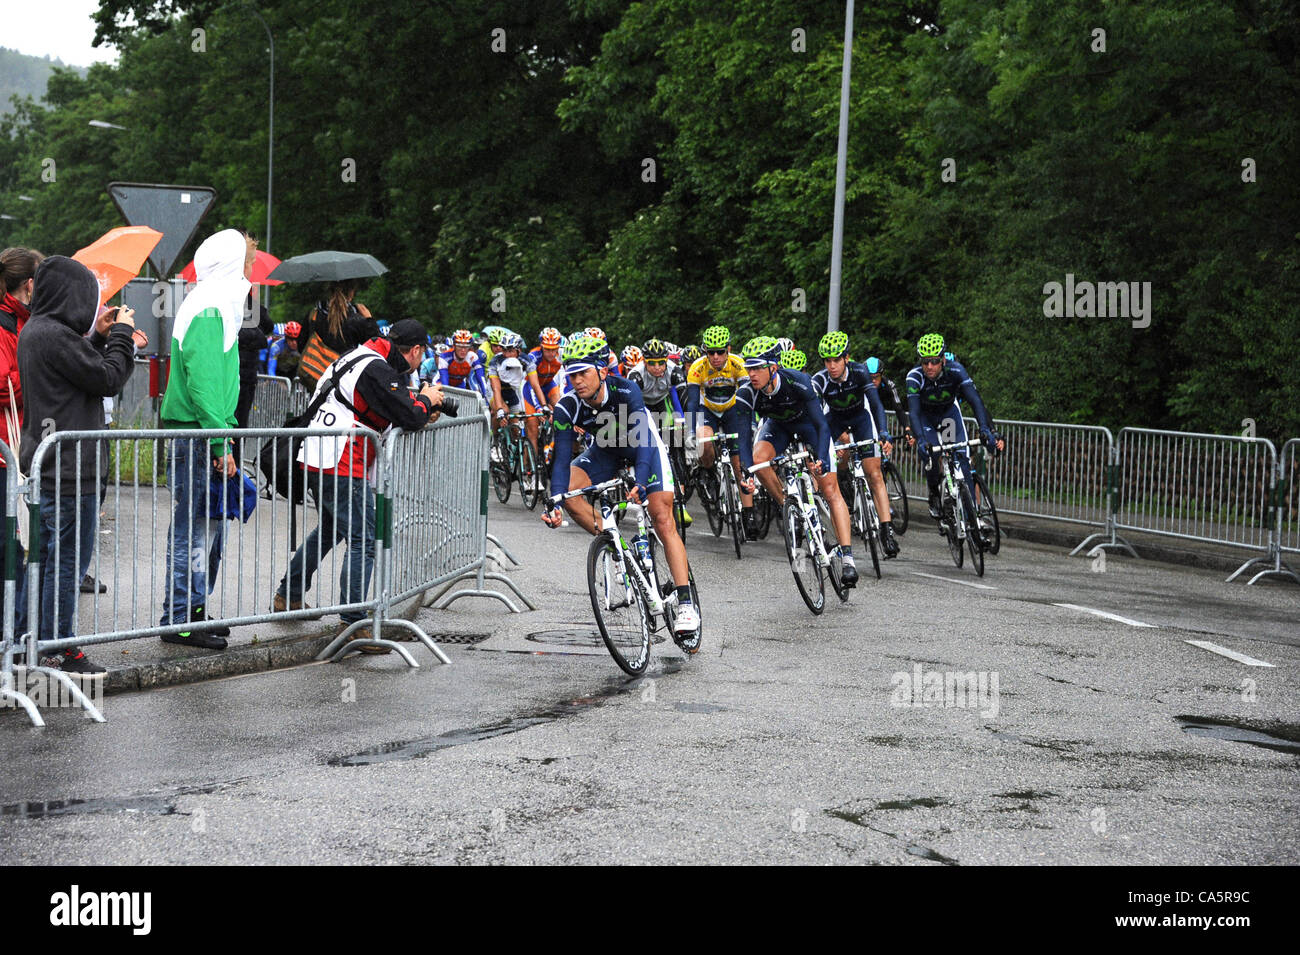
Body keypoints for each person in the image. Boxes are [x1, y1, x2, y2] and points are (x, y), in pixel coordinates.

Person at [275, 319, 441, 652]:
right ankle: (354, 623)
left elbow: (380, 407)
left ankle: (288, 595)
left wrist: (417, 407)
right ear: (418, 350)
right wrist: (424, 401)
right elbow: (408, 415)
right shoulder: (375, 368)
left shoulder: (357, 357)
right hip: (341, 462)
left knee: (330, 530)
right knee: (364, 538)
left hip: (320, 457)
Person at [15, 256, 136, 673]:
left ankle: (36, 642)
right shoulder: (54, 335)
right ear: (73, 295)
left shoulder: (39, 330)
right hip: (69, 471)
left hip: (51, 467)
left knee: (46, 560)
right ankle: (60, 647)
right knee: (66, 564)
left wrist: (101, 338)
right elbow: (106, 379)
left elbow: (80, 374)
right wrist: (121, 335)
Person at [541, 335, 700, 645]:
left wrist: (641, 483)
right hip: (606, 450)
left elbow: (643, 439)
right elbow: (561, 459)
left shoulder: (625, 389)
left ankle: (685, 604)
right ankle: (618, 551)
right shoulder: (567, 406)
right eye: (571, 374)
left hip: (643, 448)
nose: (577, 381)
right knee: (571, 494)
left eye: (583, 372)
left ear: (602, 371)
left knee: (662, 517)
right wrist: (555, 500)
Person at [157, 229, 254, 650]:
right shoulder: (212, 305)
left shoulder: (213, 301)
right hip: (198, 434)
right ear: (232, 262)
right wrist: (220, 442)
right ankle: (180, 618)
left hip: (202, 432)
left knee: (205, 530)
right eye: (247, 258)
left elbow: (210, 382)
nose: (251, 265)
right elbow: (203, 384)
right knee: (193, 531)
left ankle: (193, 611)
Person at [736, 335, 858, 586]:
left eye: (758, 367)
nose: (752, 373)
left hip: (809, 426)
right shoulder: (747, 392)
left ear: (773, 366)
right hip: (778, 427)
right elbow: (742, 436)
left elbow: (822, 426)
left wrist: (822, 459)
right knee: (760, 458)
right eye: (749, 368)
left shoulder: (799, 382)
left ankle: (847, 558)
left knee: (830, 488)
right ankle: (787, 504)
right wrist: (746, 472)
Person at [813, 331, 899, 557]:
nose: (831, 366)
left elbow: (876, 405)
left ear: (846, 358)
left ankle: (887, 530)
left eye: (836, 360)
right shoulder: (820, 380)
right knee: (823, 461)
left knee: (875, 474)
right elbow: (816, 417)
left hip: (861, 418)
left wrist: (883, 432)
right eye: (827, 361)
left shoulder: (860, 373)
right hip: (835, 421)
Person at [905, 333, 1004, 519]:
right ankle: (934, 492)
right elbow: (914, 413)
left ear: (943, 358)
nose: (929, 367)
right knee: (932, 455)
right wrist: (920, 440)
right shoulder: (914, 377)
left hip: (948, 417)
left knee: (963, 460)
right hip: (926, 420)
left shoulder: (956, 370)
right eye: (925, 362)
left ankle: (972, 517)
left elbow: (976, 401)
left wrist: (985, 428)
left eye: (934, 361)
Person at [0, 247, 42, 631]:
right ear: (29, 285)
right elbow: (1, 381)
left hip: (14, 450)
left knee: (19, 545)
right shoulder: (5, 324)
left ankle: (13, 632)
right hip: (4, 453)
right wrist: (32, 377)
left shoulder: (21, 321)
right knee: (10, 546)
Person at [686, 325, 757, 537]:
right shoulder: (697, 368)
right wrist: (691, 432)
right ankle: (709, 471)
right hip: (707, 410)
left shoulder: (739, 364)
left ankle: (748, 512)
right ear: (705, 352)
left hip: (733, 410)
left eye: (720, 352)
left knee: (739, 462)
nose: (716, 357)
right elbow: (691, 403)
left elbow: (749, 398)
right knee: (703, 440)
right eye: (711, 352)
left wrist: (751, 424)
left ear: (728, 349)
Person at [291, 280, 380, 389]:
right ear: (351, 293)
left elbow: (301, 347)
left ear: (330, 290)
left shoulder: (314, 315)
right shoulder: (356, 320)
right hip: (344, 382)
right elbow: (378, 346)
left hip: (316, 378)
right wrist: (369, 319)